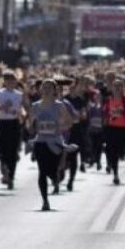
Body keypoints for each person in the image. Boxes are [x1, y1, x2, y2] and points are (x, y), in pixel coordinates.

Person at [27, 79, 73, 211]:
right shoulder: (35, 106)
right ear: (41, 90)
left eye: (49, 88)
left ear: (54, 90)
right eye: (44, 87)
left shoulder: (59, 106)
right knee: (42, 171)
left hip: (56, 142)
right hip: (41, 141)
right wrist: (32, 124)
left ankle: (56, 177)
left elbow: (69, 122)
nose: (46, 90)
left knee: (53, 171)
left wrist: (59, 127)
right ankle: (45, 200)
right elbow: (29, 126)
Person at [0, 71, 24, 190]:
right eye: (8, 80)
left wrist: (22, 114)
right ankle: (5, 170)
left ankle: (11, 176)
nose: (11, 82)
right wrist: (1, 107)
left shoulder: (19, 94)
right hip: (3, 123)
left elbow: (22, 108)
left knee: (13, 151)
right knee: (4, 150)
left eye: (13, 80)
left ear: (16, 81)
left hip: (14, 123)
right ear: (5, 82)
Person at [102, 79, 125, 185]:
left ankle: (122, 153)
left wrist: (122, 113)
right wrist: (107, 117)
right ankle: (115, 174)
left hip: (124, 128)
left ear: (122, 88)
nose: (117, 88)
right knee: (112, 151)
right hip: (111, 128)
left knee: (121, 151)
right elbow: (105, 112)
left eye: (119, 86)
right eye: (115, 86)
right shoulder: (108, 100)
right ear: (112, 88)